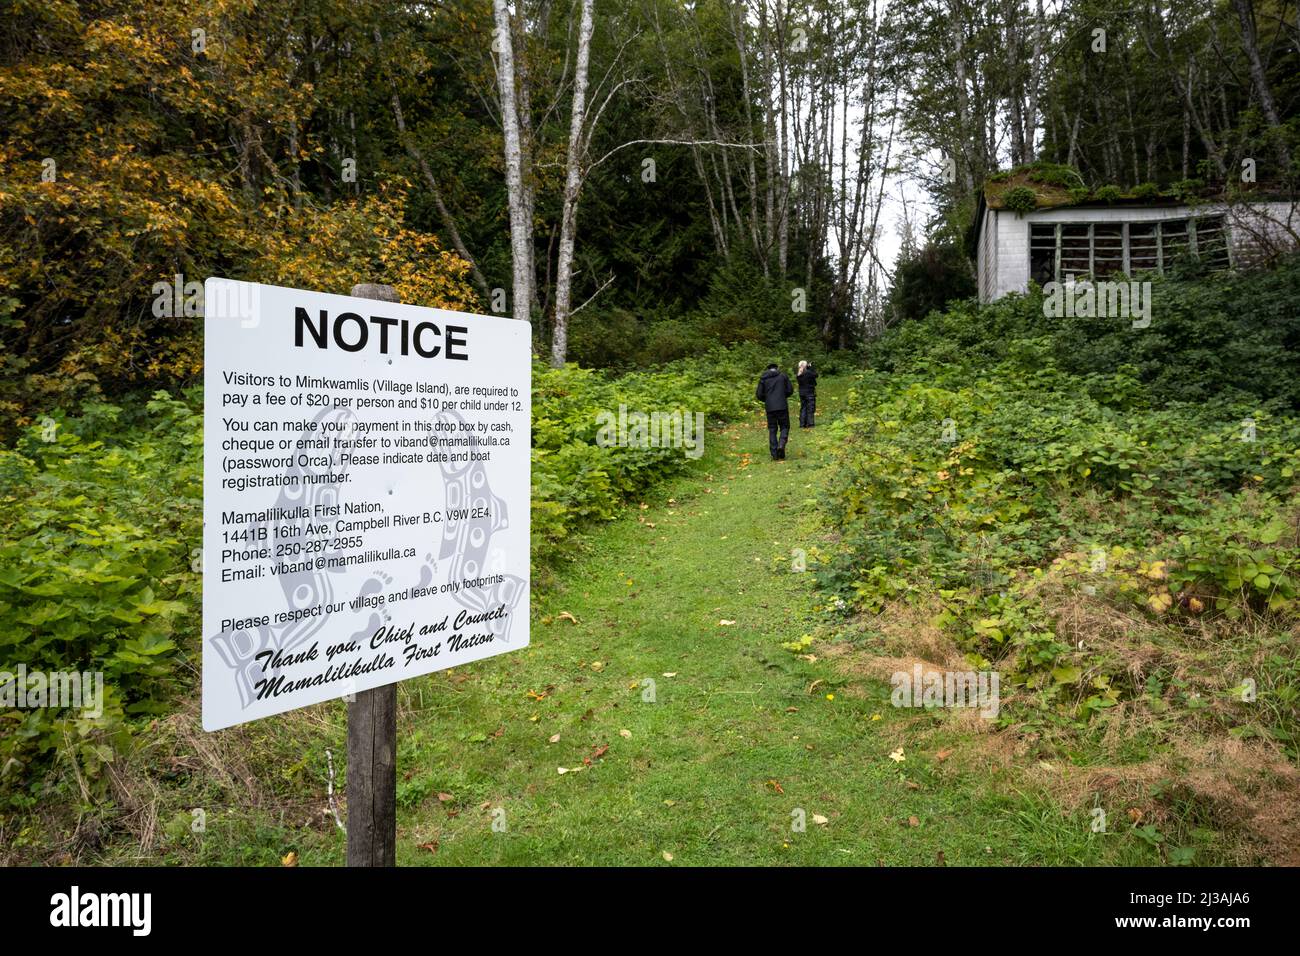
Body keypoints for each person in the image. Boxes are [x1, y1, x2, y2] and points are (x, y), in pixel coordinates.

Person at [755, 362, 793, 460]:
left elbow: (759, 395)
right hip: (782, 406)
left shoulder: (763, 378)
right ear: (776, 368)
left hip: (770, 407)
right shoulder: (783, 376)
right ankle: (781, 444)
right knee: (785, 426)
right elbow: (790, 390)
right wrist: (783, 396)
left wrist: (767, 400)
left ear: (768, 369)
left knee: (772, 429)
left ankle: (774, 454)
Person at [796, 359, 817, 428]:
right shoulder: (808, 373)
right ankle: (810, 423)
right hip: (809, 392)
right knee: (810, 408)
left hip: (802, 393)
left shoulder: (799, 374)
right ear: (806, 366)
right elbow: (816, 375)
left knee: (803, 408)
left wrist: (807, 368)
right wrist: (810, 368)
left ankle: (802, 424)